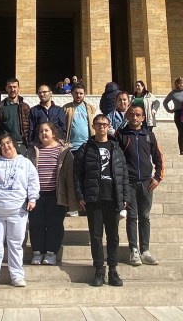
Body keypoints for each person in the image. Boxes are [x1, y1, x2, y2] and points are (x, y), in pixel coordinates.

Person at [74, 114, 129, 287]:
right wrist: (80, 196)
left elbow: (123, 173)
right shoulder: (86, 148)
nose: (102, 127)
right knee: (96, 236)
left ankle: (113, 270)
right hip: (94, 198)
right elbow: (77, 175)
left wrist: (125, 196)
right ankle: (99, 269)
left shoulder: (115, 147)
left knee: (113, 237)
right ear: (94, 126)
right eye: (98, 124)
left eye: (105, 124)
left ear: (108, 126)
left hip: (113, 198)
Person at [0, 134, 40, 288]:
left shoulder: (25, 163)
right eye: (2, 144)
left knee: (15, 244)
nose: (5, 146)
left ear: (14, 144)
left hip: (17, 210)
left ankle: (17, 276)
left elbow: (33, 181)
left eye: (8, 143)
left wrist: (32, 199)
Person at [116, 105, 163, 267]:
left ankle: (145, 250)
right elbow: (116, 158)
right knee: (132, 216)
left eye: (138, 115)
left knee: (145, 217)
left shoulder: (149, 135)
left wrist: (157, 177)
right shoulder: (120, 135)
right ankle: (133, 250)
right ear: (127, 116)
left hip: (146, 182)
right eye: (132, 114)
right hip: (128, 182)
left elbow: (158, 157)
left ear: (143, 118)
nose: (135, 117)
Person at [27, 122, 78, 266]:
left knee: (54, 225)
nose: (44, 133)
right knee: (36, 224)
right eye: (41, 131)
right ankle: (37, 252)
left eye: (46, 131)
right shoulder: (33, 150)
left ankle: (51, 253)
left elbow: (69, 175)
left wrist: (71, 198)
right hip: (36, 196)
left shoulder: (63, 151)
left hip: (56, 194)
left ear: (53, 133)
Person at [63, 83, 95, 217]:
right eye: (76, 93)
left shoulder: (90, 108)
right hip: (72, 147)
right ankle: (74, 207)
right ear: (72, 93)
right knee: (73, 178)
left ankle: (87, 207)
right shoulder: (66, 108)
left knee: (87, 177)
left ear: (84, 94)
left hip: (87, 147)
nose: (78, 95)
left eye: (81, 93)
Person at [0, 78, 31, 156]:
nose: (12, 89)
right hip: (6, 145)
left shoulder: (25, 107)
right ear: (6, 88)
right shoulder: (0, 107)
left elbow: (29, 127)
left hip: (21, 145)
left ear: (18, 88)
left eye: (14, 87)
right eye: (10, 87)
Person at [163, 77, 183, 155]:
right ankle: (182, 151)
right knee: (181, 132)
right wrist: (169, 110)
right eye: (181, 83)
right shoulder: (173, 93)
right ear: (177, 84)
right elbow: (165, 102)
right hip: (179, 113)